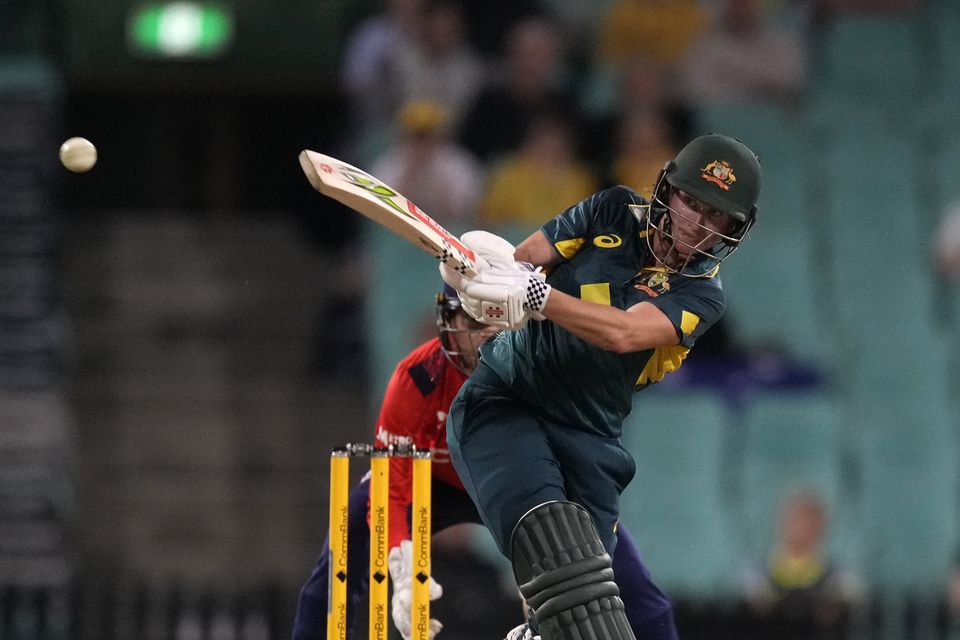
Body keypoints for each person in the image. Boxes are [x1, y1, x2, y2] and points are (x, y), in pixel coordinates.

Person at [439, 133, 763, 640]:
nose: (696, 222)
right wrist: (485, 278)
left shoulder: (702, 294)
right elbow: (525, 259)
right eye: (691, 202)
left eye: (715, 215)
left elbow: (624, 332)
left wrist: (539, 296)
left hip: (591, 438)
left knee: (591, 611)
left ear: (733, 228)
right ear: (668, 191)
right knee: (558, 550)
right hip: (508, 401)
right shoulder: (611, 210)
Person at [293, 286, 679, 640]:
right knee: (336, 563)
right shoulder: (418, 377)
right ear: (450, 323)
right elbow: (392, 481)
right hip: (433, 482)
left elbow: (578, 459)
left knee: (631, 586)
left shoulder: (544, 371)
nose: (487, 337)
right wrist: (399, 560)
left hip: (515, 485)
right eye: (475, 323)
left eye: (498, 324)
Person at [740, 491, 863, 639]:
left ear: (822, 527)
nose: (800, 527)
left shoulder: (840, 575)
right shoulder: (756, 572)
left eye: (808, 521)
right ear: (780, 524)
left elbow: (845, 605)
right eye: (794, 520)